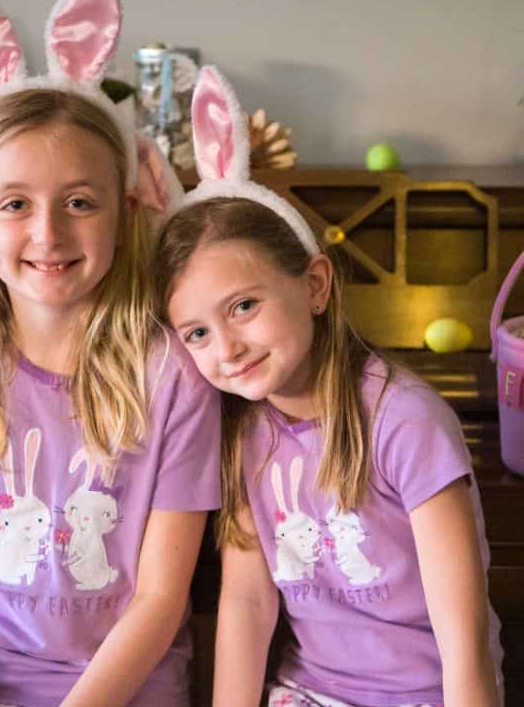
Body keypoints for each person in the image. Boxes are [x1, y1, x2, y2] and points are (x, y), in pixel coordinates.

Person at [0, 0, 221, 705]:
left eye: (79, 202)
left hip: (126, 689)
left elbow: (159, 599)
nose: (48, 235)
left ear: (125, 212)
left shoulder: (173, 374)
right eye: (15, 204)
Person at [154, 65, 503, 707]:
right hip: (311, 693)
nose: (225, 347)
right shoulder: (240, 428)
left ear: (316, 285)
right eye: (196, 333)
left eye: (242, 307)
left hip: (425, 691)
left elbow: (464, 633)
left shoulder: (404, 419)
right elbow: (249, 601)